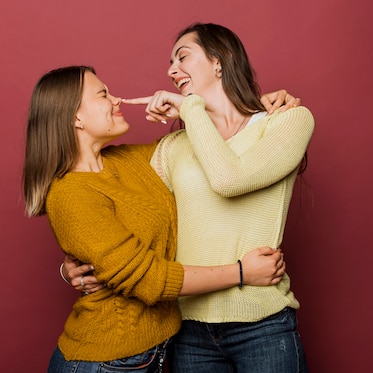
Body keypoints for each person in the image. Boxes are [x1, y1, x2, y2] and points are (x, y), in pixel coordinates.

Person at [66, 22, 314, 372]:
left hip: (264, 324)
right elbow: (106, 193)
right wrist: (72, 266)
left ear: (220, 60)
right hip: (188, 330)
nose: (171, 71)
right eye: (170, 63)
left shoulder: (287, 122)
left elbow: (230, 178)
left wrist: (191, 109)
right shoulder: (175, 147)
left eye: (182, 57)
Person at [23, 66, 294, 373]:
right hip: (101, 363)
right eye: (103, 94)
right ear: (76, 117)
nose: (117, 100)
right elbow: (151, 280)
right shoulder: (70, 193)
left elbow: (210, 141)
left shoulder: (128, 160)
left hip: (149, 356)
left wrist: (258, 109)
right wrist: (243, 272)